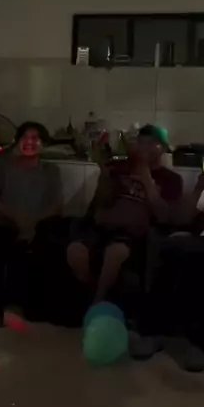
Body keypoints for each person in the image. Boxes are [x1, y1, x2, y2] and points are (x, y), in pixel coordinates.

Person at [132, 137, 204, 372]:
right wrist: (199, 188)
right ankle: (152, 332)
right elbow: (182, 218)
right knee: (170, 249)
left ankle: (199, 344)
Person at [67, 124, 182, 305]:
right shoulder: (118, 168)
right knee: (75, 251)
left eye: (151, 144)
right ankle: (91, 292)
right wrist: (105, 177)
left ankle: (97, 301)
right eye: (140, 143)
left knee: (115, 253)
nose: (144, 148)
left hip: (132, 234)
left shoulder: (171, 179)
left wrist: (147, 181)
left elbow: (164, 217)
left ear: (162, 149)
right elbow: (100, 202)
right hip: (103, 225)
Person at [0, 122, 63, 323]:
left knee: (49, 242)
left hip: (38, 225)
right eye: (25, 138)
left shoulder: (50, 170)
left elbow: (57, 206)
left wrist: (34, 222)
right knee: (2, 241)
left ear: (43, 143)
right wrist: (17, 218)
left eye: (35, 138)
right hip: (7, 223)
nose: (29, 142)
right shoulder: (2, 165)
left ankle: (34, 307)